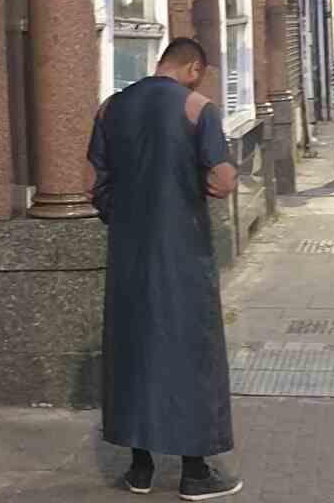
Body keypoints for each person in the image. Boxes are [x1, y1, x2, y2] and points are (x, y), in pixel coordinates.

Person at [87, 37, 242, 501]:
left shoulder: (110, 107)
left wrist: (125, 214)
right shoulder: (197, 107)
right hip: (180, 249)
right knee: (191, 351)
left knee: (134, 350)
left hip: (130, 252)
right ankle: (195, 472)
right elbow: (221, 179)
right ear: (192, 67)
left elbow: (98, 181)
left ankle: (140, 468)